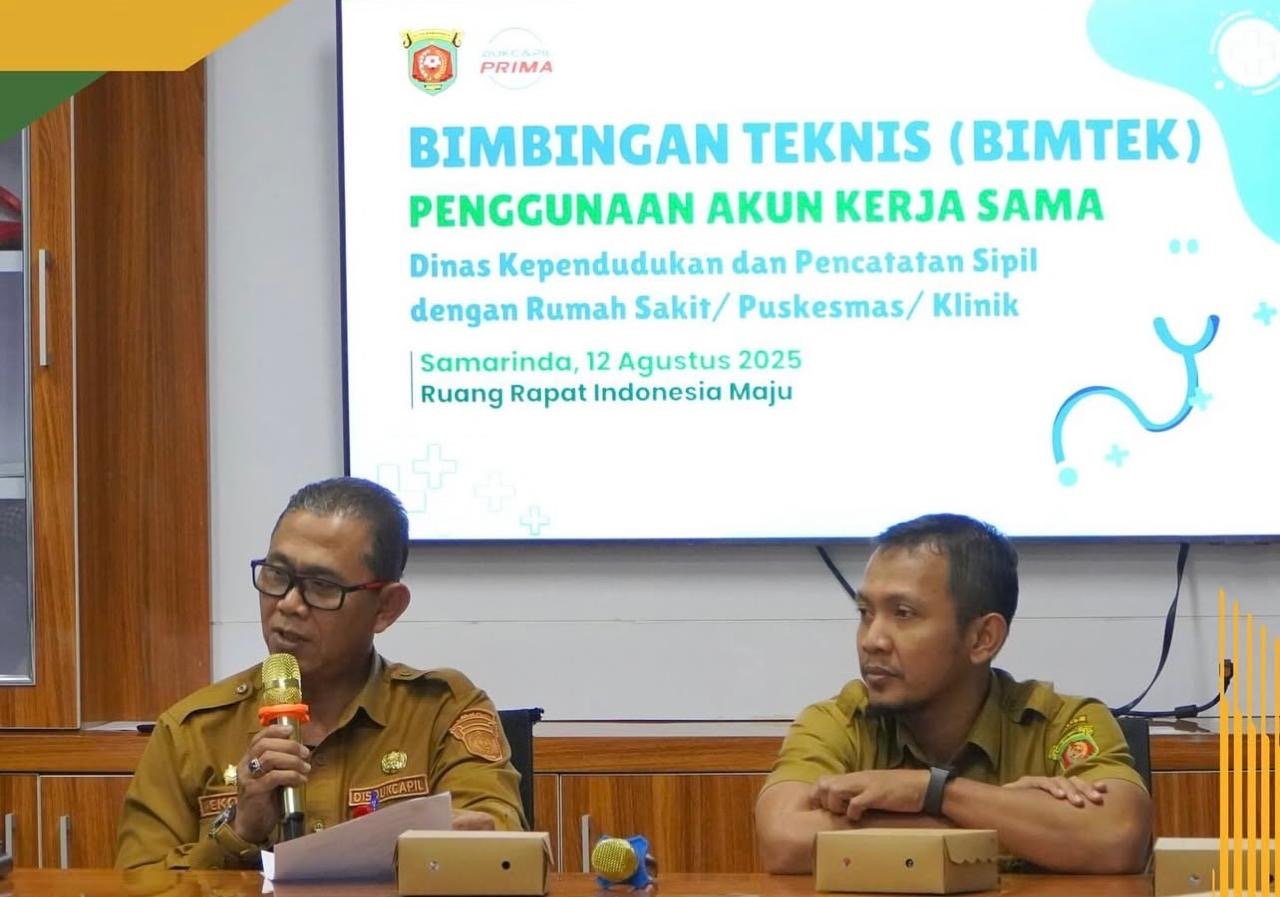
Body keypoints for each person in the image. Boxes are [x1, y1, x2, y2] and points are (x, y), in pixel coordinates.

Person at [116, 477, 525, 870]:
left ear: (386, 608)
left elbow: (499, 841)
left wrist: (405, 846)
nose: (289, 604)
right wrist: (239, 831)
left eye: (322, 585)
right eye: (277, 575)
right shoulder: (192, 733)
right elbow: (137, 881)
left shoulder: (441, 713)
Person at [755, 513, 1151, 875]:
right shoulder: (838, 723)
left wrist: (926, 790)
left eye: (903, 613)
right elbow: (784, 839)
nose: (872, 639)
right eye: (865, 613)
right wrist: (1006, 818)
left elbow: (1118, 835)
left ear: (982, 638)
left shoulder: (1062, 723)